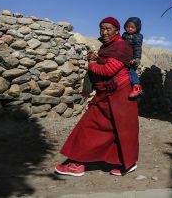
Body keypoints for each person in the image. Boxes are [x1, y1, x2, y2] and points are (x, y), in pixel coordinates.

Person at [55, 17, 139, 176]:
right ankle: (79, 163)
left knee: (121, 129)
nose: (104, 32)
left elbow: (108, 70)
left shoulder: (122, 47)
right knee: (95, 127)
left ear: (116, 31)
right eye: (102, 29)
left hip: (120, 95)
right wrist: (96, 59)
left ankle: (126, 163)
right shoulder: (108, 47)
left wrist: (92, 64)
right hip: (106, 94)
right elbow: (104, 63)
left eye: (108, 29)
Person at [122, 17, 144, 99]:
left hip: (132, 58)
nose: (130, 28)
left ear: (137, 28)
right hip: (124, 56)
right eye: (128, 26)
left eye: (132, 27)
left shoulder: (138, 36)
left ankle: (137, 87)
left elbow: (138, 47)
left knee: (131, 71)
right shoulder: (124, 35)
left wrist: (137, 58)